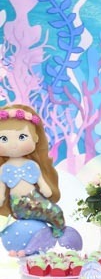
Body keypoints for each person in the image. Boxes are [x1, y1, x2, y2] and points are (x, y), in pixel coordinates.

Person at [0, 104, 82, 256]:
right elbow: (1, 189)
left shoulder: (32, 165)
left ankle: (56, 237)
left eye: (22, 137)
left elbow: (41, 183)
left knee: (55, 211)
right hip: (19, 204)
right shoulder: (4, 169)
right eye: (3, 138)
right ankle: (44, 238)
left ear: (35, 138)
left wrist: (45, 188)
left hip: (35, 198)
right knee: (52, 212)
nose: (13, 144)